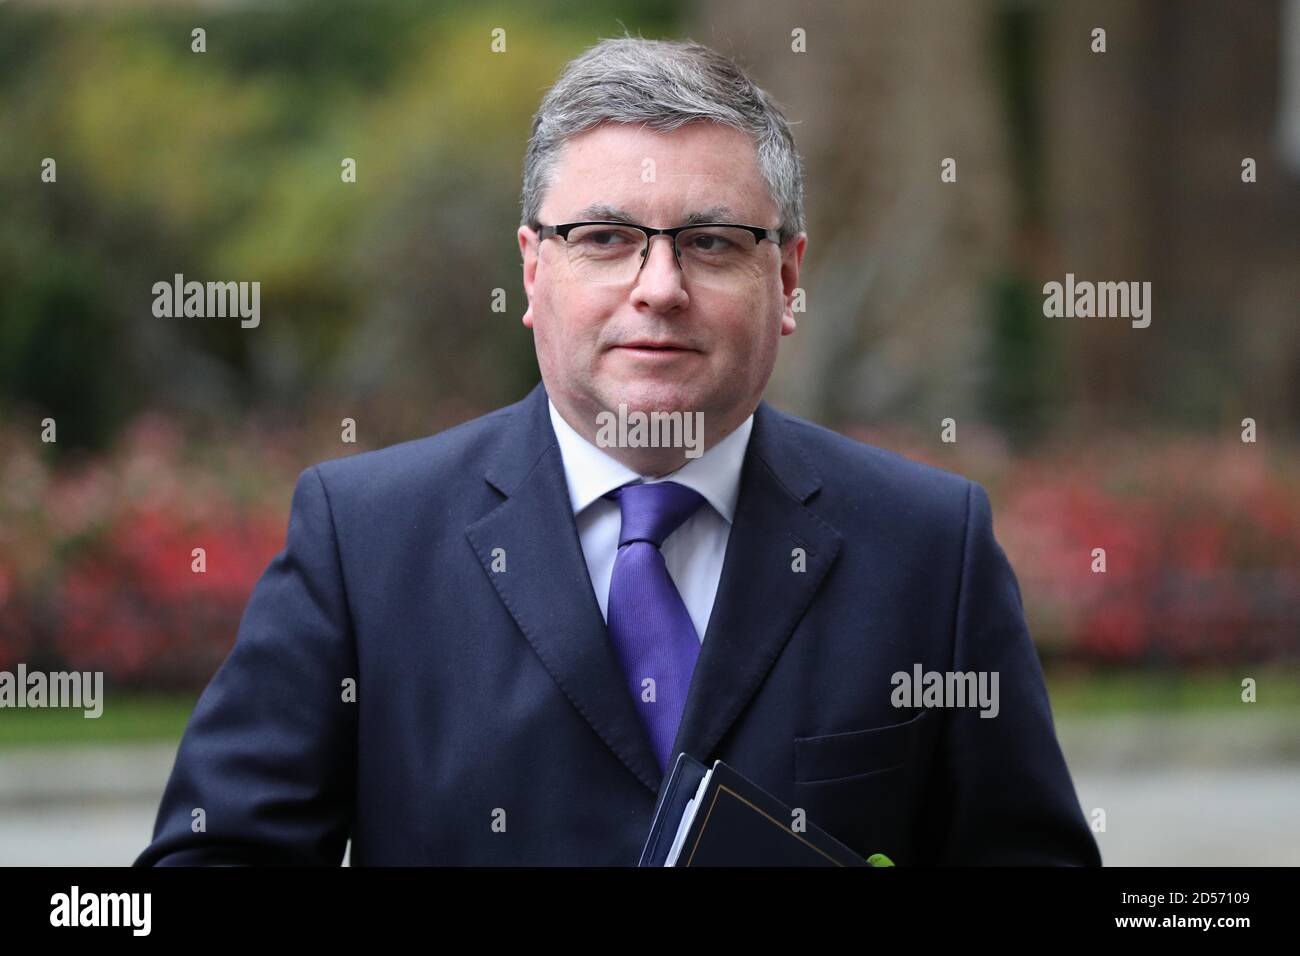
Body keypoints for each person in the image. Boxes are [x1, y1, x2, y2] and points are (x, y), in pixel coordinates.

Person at [136, 36, 1100, 866]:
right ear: (531, 267)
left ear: (789, 277)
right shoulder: (365, 540)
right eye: (605, 238)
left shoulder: (931, 548)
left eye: (713, 242)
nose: (660, 287)